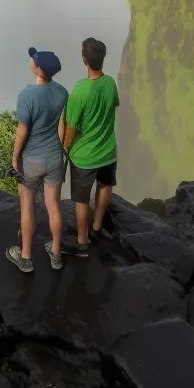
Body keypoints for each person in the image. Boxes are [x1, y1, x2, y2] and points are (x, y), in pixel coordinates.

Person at [6, 47, 68, 274]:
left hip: (31, 159)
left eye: (34, 59)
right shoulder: (62, 92)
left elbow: (22, 131)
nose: (31, 59)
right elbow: (62, 124)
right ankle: (56, 252)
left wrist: (14, 158)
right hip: (54, 156)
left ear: (38, 68)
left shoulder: (26, 95)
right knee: (54, 207)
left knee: (27, 207)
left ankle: (25, 257)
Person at [63, 37, 118, 258]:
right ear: (102, 59)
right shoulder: (111, 83)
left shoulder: (80, 90)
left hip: (84, 156)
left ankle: (82, 242)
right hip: (108, 151)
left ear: (85, 61)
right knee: (105, 185)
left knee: (81, 199)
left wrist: (64, 148)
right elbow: (113, 105)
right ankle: (97, 226)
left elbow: (70, 127)